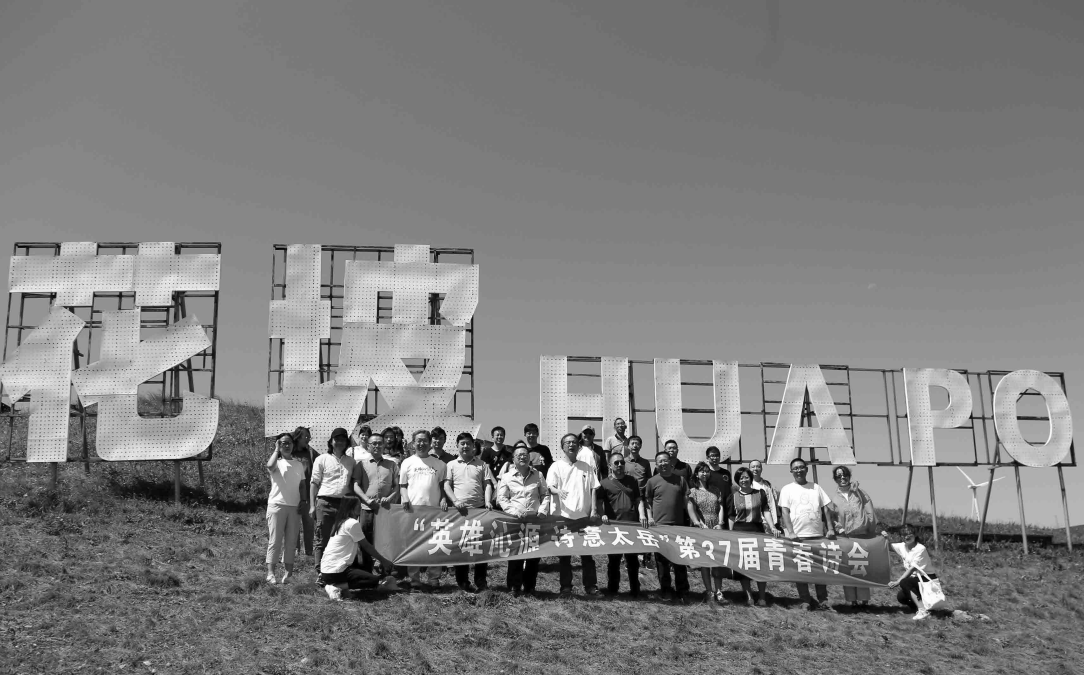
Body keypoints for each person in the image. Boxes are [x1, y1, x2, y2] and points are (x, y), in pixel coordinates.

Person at [547, 432, 601, 597]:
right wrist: (558, 491)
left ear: (579, 446)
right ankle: (565, 587)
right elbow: (550, 487)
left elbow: (594, 488)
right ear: (562, 447)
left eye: (574, 442)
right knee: (564, 555)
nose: (571, 445)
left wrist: (594, 509)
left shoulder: (586, 466)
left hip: (583, 517)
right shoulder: (556, 466)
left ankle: (591, 587)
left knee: (587, 554)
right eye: (567, 443)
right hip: (563, 517)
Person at [778, 458, 835, 610]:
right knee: (801, 570)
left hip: (817, 536)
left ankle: (823, 601)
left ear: (806, 469)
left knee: (819, 570)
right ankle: (805, 600)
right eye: (795, 468)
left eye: (801, 467)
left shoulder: (816, 487)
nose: (799, 470)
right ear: (791, 471)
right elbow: (785, 511)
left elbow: (826, 508)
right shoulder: (787, 489)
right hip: (798, 537)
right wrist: (791, 532)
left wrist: (830, 528)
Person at [444, 432, 496, 592]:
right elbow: (447, 485)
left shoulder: (482, 464)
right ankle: (463, 581)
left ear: (474, 446)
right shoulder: (451, 465)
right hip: (460, 511)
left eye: (468, 443)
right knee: (462, 547)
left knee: (481, 547)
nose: (465, 446)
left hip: (479, 510)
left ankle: (481, 581)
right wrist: (455, 501)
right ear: (457, 446)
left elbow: (488, 484)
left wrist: (488, 501)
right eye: (462, 443)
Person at [398, 429, 449, 591]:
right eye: (418, 441)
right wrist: (405, 497)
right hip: (412, 511)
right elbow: (402, 486)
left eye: (424, 441)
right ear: (413, 443)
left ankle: (434, 579)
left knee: (435, 545)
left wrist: (443, 499)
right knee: (413, 546)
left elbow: (443, 487)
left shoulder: (440, 464)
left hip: (434, 512)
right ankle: (414, 580)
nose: (421, 443)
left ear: (430, 443)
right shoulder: (407, 462)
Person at [318, 496, 395, 601]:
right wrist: (384, 561)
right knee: (373, 580)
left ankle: (339, 585)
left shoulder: (341, 522)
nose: (360, 508)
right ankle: (336, 587)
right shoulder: (352, 523)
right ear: (351, 508)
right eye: (358, 506)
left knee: (365, 569)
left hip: (326, 570)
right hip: (335, 571)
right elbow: (366, 546)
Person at [497, 445, 550, 597]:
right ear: (513, 459)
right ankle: (514, 586)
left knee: (533, 555)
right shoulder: (507, 477)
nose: (522, 457)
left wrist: (542, 510)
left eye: (525, 454)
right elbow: (502, 498)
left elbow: (545, 495)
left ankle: (530, 587)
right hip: (516, 521)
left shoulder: (538, 475)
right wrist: (514, 512)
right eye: (519, 455)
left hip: (534, 521)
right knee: (516, 554)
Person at [829, 465, 881, 607]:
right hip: (845, 537)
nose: (842, 478)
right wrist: (839, 529)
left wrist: (873, 529)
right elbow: (833, 517)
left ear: (849, 476)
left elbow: (870, 511)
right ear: (835, 479)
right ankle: (851, 601)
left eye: (844, 474)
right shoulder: (834, 498)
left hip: (862, 536)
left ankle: (864, 601)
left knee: (861, 568)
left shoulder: (859, 492)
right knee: (847, 568)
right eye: (838, 476)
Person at [597, 452, 646, 597]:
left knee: (632, 561)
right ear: (610, 465)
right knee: (614, 560)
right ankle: (613, 589)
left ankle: (635, 590)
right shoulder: (604, 483)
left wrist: (642, 515)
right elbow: (599, 502)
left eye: (622, 462)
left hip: (631, 526)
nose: (620, 465)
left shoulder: (632, 481)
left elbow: (639, 500)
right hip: (614, 527)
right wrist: (602, 514)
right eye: (616, 463)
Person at [645, 450, 691, 603]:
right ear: (656, 465)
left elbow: (687, 502)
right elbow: (648, 502)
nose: (663, 463)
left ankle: (683, 590)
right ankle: (665, 590)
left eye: (665, 460)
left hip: (678, 527)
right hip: (660, 527)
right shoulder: (652, 481)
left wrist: (694, 520)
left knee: (680, 560)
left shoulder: (681, 480)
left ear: (670, 462)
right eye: (660, 461)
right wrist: (650, 518)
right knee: (662, 562)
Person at [309, 427, 356, 572]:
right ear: (331, 441)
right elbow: (314, 483)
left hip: (344, 504)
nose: (340, 442)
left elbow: (352, 484)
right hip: (325, 503)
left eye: (343, 440)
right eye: (337, 439)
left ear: (347, 442)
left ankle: (335, 570)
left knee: (340, 538)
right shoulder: (322, 459)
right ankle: (320, 571)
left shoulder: (351, 462)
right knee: (322, 538)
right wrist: (312, 506)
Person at [351, 432, 399, 573]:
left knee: (385, 539)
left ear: (384, 446)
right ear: (368, 446)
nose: (377, 446)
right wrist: (366, 499)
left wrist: (389, 498)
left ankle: (385, 569)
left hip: (386, 509)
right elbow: (355, 485)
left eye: (380, 443)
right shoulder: (361, 465)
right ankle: (366, 571)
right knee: (365, 539)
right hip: (367, 508)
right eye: (374, 443)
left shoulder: (392, 464)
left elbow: (397, 486)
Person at [729, 467, 775, 606]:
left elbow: (766, 510)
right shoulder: (733, 496)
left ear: (750, 478)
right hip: (740, 533)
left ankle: (762, 597)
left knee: (760, 565)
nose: (744, 480)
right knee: (743, 566)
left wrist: (772, 526)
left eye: (746, 477)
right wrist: (730, 534)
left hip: (757, 531)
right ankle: (749, 596)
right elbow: (731, 516)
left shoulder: (760, 493)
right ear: (737, 480)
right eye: (741, 478)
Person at [265, 433, 306, 584]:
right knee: (275, 540)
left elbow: (302, 485)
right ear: (278, 444)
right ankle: (271, 573)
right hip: (277, 505)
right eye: (283, 443)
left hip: (294, 506)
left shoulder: (298, 464)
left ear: (293, 445)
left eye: (289, 443)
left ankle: (288, 574)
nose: (286, 445)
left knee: (291, 541)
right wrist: (276, 450)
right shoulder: (276, 462)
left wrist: (304, 500)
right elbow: (269, 466)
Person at [687, 461, 727, 604]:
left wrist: (720, 522)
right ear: (697, 474)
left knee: (717, 560)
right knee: (705, 561)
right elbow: (691, 509)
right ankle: (709, 591)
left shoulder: (715, 490)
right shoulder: (693, 491)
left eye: (707, 471)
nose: (705, 473)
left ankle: (719, 591)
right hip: (701, 528)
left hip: (716, 527)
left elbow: (720, 507)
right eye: (702, 471)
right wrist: (699, 523)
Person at [888, 524, 939, 620]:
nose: (907, 536)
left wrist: (897, 582)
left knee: (904, 582)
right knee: (901, 597)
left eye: (909, 534)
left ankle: (923, 610)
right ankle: (920, 607)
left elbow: (912, 569)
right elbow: (887, 546)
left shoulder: (920, 549)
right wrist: (884, 537)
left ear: (915, 535)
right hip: (915, 579)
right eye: (904, 535)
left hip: (926, 579)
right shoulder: (902, 546)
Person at [623, 435, 654, 570]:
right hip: (628, 499)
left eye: (637, 443)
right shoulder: (623, 461)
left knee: (644, 527)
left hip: (642, 498)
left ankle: (646, 557)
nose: (635, 446)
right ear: (628, 446)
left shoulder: (645, 463)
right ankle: (628, 557)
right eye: (632, 443)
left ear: (640, 446)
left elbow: (649, 480)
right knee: (630, 527)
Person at [290, 426, 317, 558]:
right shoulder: (290, 453)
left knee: (309, 523)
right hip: (292, 494)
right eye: (305, 436)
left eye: (308, 436)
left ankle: (309, 551)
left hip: (308, 494)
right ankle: (295, 550)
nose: (308, 438)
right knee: (294, 523)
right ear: (297, 437)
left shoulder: (311, 453)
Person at [749, 459, 783, 536]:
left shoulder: (767, 484)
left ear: (761, 469)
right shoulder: (747, 485)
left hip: (771, 522)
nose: (755, 469)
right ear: (749, 469)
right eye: (753, 467)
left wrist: (777, 519)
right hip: (756, 523)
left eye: (758, 467)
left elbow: (775, 502)